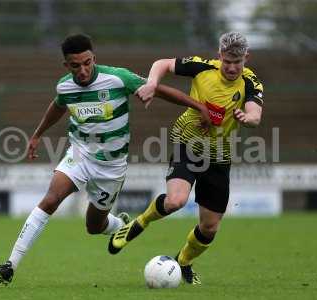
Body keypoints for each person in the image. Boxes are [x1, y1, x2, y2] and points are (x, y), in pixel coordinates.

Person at [0, 34, 210, 285]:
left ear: (94, 58)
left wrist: (198, 106)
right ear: (66, 66)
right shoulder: (65, 87)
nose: (82, 70)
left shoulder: (117, 78)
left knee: (94, 226)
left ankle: (120, 224)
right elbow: (58, 106)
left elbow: (156, 90)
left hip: (111, 167)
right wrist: (38, 134)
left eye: (87, 63)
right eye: (75, 65)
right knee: (51, 199)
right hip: (80, 155)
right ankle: (10, 265)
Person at [108, 32, 264, 285]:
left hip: (219, 156)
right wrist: (151, 83)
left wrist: (248, 119)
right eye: (227, 61)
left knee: (209, 228)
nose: (232, 67)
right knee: (176, 201)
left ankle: (183, 262)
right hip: (188, 144)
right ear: (219, 56)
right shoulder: (202, 68)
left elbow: (255, 113)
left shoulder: (251, 83)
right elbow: (163, 64)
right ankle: (138, 223)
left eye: (238, 62)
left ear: (247, 57)